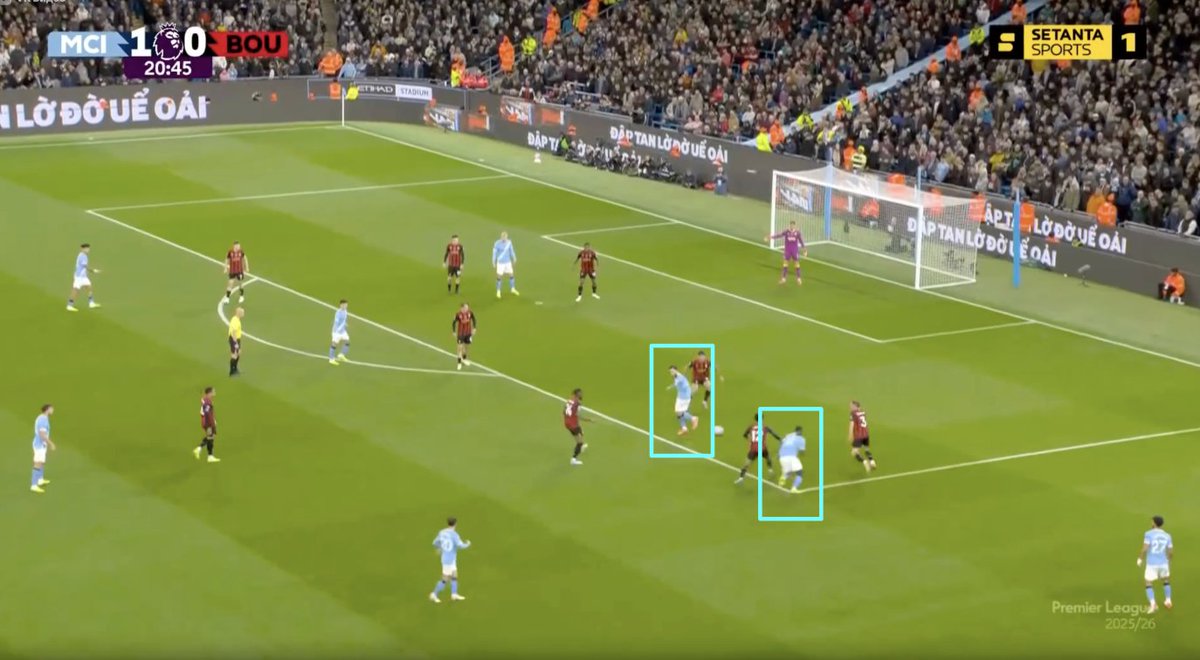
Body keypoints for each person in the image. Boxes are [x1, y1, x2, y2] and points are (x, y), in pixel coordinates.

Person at [430, 517, 471, 603]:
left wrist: (439, 548)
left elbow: (435, 543)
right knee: (445, 579)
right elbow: (460, 545)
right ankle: (434, 594)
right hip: (449, 560)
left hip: (447, 559)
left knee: (454, 576)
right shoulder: (454, 535)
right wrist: (467, 544)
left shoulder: (442, 532)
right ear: (455, 524)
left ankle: (454, 594)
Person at [1138, 515, 1173, 613]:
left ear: (1154, 523)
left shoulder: (1148, 534)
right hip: (1163, 563)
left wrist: (1140, 559)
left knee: (1148, 582)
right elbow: (1170, 551)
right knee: (1166, 581)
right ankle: (1168, 601)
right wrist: (1168, 561)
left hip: (1152, 564)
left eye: (1152, 521)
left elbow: (1145, 548)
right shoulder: (1167, 536)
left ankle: (1153, 604)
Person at [735, 416, 778, 484]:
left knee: (746, 464)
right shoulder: (765, 427)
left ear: (755, 419)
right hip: (762, 448)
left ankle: (741, 478)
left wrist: (750, 439)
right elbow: (774, 434)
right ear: (762, 419)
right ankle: (770, 470)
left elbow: (745, 435)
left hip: (753, 449)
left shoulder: (751, 427)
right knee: (768, 457)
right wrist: (780, 439)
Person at [67, 243, 101, 312]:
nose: (88, 250)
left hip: (83, 277)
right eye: (86, 248)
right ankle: (69, 305)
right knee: (76, 290)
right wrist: (93, 271)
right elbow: (85, 266)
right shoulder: (82, 256)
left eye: (88, 248)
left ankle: (91, 303)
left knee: (89, 287)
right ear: (82, 249)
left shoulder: (83, 255)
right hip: (79, 277)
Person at [666, 366, 699, 435]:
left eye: (672, 371)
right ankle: (684, 429)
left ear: (676, 370)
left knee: (679, 412)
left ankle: (693, 418)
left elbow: (676, 384)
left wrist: (670, 387)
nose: (671, 372)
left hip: (683, 397)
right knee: (679, 413)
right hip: (682, 396)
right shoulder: (676, 376)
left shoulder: (679, 377)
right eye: (670, 371)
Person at [30, 404, 55, 494]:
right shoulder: (43, 420)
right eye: (51, 409)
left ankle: (40, 480)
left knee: (41, 462)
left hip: (42, 444)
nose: (53, 410)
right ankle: (34, 485)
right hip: (39, 444)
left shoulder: (43, 417)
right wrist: (51, 444)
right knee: (38, 463)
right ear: (47, 409)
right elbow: (42, 434)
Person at [194, 386, 221, 463]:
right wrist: (212, 423)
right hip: (208, 422)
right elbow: (207, 413)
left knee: (211, 437)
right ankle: (201, 450)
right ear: (209, 393)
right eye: (213, 391)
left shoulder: (205, 399)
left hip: (206, 421)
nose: (214, 393)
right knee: (210, 437)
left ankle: (208, 455)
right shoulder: (207, 402)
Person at [777, 426, 806, 492]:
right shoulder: (801, 439)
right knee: (799, 473)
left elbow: (781, 441)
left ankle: (783, 478)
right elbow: (802, 451)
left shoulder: (789, 435)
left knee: (788, 471)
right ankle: (794, 488)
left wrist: (779, 452)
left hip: (782, 457)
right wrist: (802, 452)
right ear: (801, 431)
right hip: (791, 457)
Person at [564, 388, 589, 465]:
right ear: (577, 395)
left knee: (580, 432)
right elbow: (578, 415)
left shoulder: (569, 401)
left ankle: (582, 445)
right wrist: (588, 420)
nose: (581, 395)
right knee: (579, 442)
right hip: (573, 424)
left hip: (567, 422)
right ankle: (573, 459)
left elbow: (565, 412)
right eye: (580, 394)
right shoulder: (578, 404)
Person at [849, 400, 876, 472]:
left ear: (855, 406)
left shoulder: (853, 414)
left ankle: (864, 462)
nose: (850, 407)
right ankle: (872, 461)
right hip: (866, 435)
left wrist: (850, 435)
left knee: (854, 452)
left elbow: (852, 425)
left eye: (851, 406)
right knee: (866, 448)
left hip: (859, 436)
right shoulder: (863, 413)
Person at [492, 231, 518, 298]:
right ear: (501, 237)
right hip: (500, 263)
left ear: (507, 237)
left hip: (508, 262)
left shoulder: (509, 243)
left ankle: (512, 288)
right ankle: (498, 291)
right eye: (503, 237)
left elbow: (511, 251)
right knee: (499, 277)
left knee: (511, 275)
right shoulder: (497, 243)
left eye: (505, 237)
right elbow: (494, 253)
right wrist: (493, 261)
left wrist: (514, 258)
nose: (504, 238)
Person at [452, 303, 476, 370]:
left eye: (467, 307)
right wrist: (454, 331)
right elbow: (454, 322)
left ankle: (464, 359)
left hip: (468, 333)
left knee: (466, 347)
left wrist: (474, 328)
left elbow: (474, 318)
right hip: (461, 334)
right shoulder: (458, 314)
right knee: (460, 348)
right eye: (465, 308)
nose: (467, 309)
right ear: (461, 308)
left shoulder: (470, 313)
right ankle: (459, 363)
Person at [329, 299, 350, 365]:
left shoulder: (345, 311)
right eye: (344, 305)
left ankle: (341, 355)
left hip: (343, 331)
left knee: (347, 342)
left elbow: (343, 320)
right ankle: (331, 359)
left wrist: (345, 324)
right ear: (341, 305)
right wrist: (337, 332)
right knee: (334, 344)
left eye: (346, 305)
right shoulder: (338, 313)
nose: (345, 306)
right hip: (337, 332)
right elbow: (336, 322)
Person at [228, 307, 245, 376]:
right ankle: (232, 371)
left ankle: (235, 368)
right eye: (242, 313)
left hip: (237, 339)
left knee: (238, 353)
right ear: (239, 313)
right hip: (234, 339)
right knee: (234, 355)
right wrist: (235, 343)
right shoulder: (235, 320)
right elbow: (233, 332)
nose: (243, 314)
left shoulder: (236, 319)